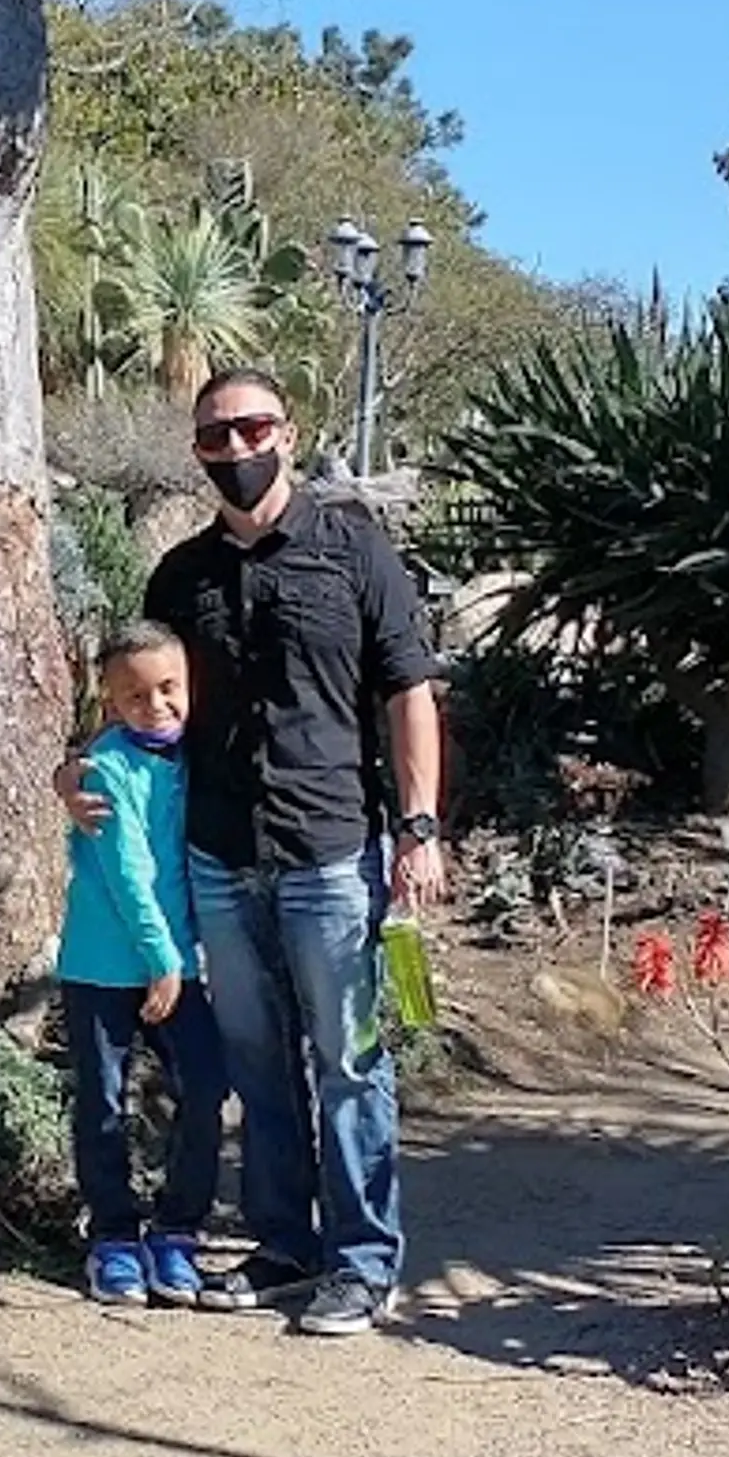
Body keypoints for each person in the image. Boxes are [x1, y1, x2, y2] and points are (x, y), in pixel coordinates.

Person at [134, 369, 445, 1334]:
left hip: (332, 855)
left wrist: (419, 825)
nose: (235, 448)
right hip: (221, 856)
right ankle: (284, 1247)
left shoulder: (355, 551)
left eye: (251, 428)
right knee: (257, 1063)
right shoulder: (179, 578)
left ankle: (362, 1263)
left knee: (350, 1060)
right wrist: (84, 771)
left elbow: (408, 690)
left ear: (289, 432)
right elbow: (145, 704)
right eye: (214, 436)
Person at [51, 622, 238, 1311]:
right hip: (106, 966)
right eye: (134, 695)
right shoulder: (104, 770)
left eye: (168, 688)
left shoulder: (196, 757)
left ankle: (177, 1228)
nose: (155, 704)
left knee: (206, 1085)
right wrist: (165, 962)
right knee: (104, 1101)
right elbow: (127, 873)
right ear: (109, 701)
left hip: (176, 962)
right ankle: (114, 1237)